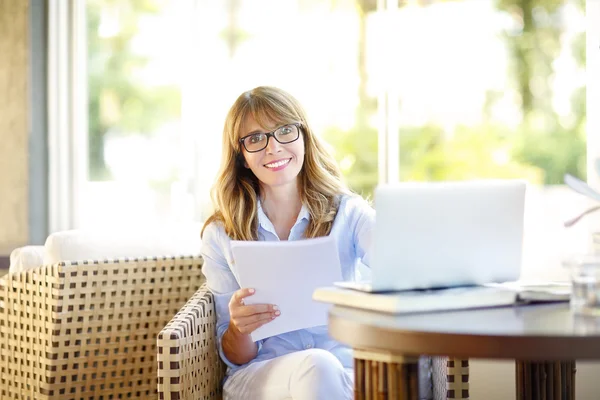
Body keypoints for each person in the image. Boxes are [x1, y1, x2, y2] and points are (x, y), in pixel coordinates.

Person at [201, 86, 375, 400]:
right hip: (264, 376)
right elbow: (234, 355)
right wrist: (240, 328)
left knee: (330, 370)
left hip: (346, 373)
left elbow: (403, 266)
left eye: (285, 131)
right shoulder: (221, 233)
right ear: (241, 155)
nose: (273, 147)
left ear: (304, 137)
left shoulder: (349, 213)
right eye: (255, 138)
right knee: (317, 366)